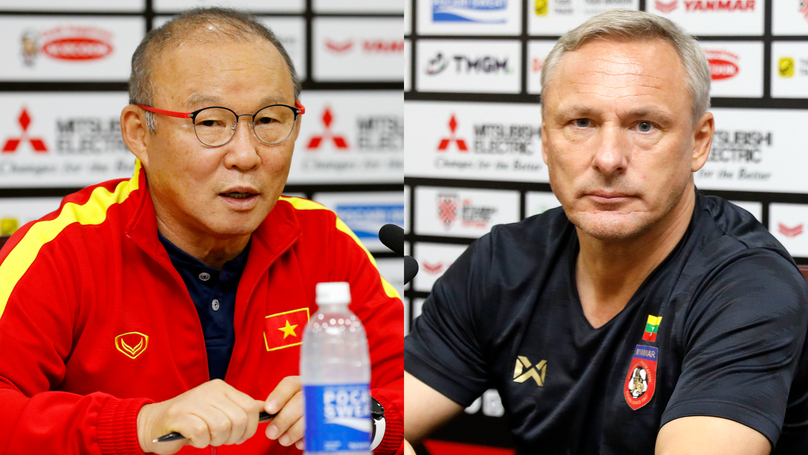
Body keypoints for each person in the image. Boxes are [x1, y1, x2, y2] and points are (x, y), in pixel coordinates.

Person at [0, 8, 403, 455]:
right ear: (138, 133)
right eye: (210, 122)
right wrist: (141, 424)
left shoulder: (321, 237)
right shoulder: (64, 249)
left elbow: (414, 387)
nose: (247, 155)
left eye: (269, 120)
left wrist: (362, 417)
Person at [404, 9, 808, 455]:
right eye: (581, 123)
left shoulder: (748, 286)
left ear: (699, 142)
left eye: (644, 125)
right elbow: (375, 425)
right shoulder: (502, 262)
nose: (609, 158)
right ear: (544, 140)